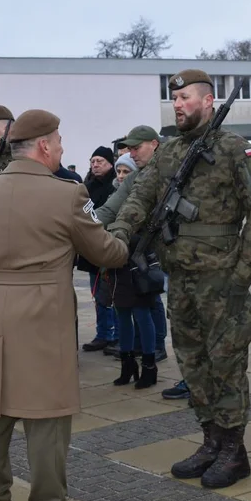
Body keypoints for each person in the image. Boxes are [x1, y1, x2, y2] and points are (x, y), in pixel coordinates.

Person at [0, 108, 128, 501]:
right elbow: (105, 252)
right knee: (47, 415)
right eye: (60, 142)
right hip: (43, 313)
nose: (63, 149)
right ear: (45, 146)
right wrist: (124, 239)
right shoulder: (66, 193)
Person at [108, 70, 251, 489]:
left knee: (227, 363)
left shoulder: (235, 149)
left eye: (185, 97)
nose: (179, 104)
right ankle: (211, 440)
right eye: (175, 99)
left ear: (208, 101)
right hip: (180, 277)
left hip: (222, 280)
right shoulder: (169, 153)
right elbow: (141, 196)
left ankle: (234, 451)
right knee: (191, 361)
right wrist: (119, 234)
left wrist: (243, 271)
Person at [97, 125, 169, 364]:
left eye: (136, 148)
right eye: (130, 149)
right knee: (146, 298)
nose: (132, 153)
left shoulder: (174, 168)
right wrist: (79, 224)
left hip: (176, 248)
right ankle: (148, 347)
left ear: (154, 144)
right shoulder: (137, 177)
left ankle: (158, 345)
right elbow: (110, 209)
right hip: (143, 246)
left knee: (155, 300)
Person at [107, 154, 161, 389]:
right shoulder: (114, 198)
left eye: (125, 172)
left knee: (141, 314)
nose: (120, 176)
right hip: (117, 260)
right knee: (122, 315)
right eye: (118, 171)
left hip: (138, 261)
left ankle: (149, 364)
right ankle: (127, 363)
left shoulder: (146, 194)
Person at [80, 146, 119, 353]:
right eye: (93, 161)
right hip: (90, 249)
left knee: (114, 295)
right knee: (98, 295)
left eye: (100, 161)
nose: (95, 165)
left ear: (110, 163)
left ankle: (116, 334)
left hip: (109, 246)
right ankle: (103, 333)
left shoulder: (115, 186)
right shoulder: (86, 187)